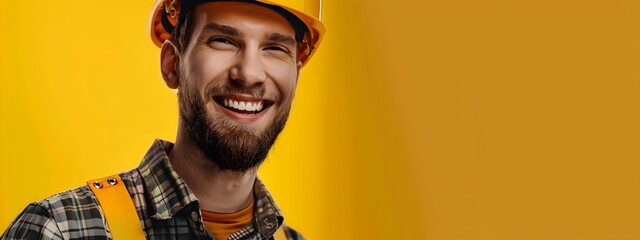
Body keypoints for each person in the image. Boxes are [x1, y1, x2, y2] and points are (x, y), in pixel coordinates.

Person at [1, 0, 325, 239]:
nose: (250, 73)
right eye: (223, 41)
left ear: (295, 74)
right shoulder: (58, 231)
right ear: (172, 65)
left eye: (274, 48)